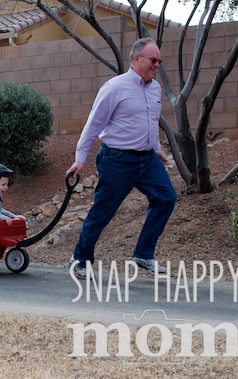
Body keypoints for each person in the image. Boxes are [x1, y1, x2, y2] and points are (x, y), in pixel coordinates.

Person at [66, 37, 177, 279]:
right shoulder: (115, 87)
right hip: (117, 159)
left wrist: (156, 146)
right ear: (137, 59)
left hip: (147, 160)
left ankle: (143, 254)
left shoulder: (155, 89)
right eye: (153, 60)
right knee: (103, 210)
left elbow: (150, 122)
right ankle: (80, 259)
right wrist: (80, 158)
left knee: (166, 198)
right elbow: (93, 124)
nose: (157, 64)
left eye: (159, 60)